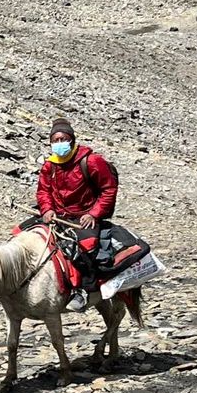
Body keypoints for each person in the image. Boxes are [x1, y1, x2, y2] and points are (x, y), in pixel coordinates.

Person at [35, 118, 119, 311]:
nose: (58, 144)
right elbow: (43, 191)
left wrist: (94, 214)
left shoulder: (91, 161)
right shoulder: (50, 165)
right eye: (54, 140)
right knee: (24, 235)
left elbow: (108, 189)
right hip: (58, 216)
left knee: (85, 246)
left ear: (72, 140)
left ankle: (83, 290)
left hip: (84, 216)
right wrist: (47, 209)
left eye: (62, 139)